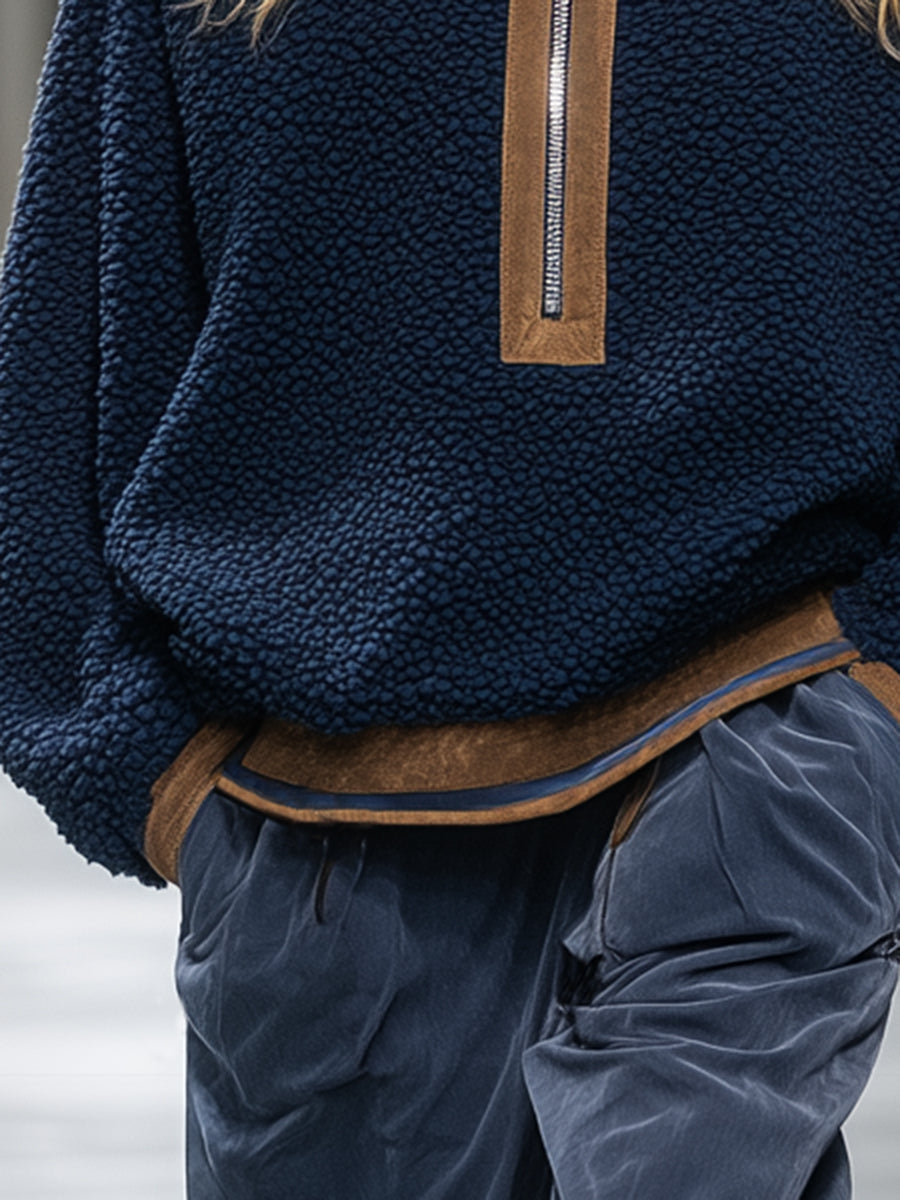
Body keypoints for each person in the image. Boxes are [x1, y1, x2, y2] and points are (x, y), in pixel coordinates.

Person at [2, 0, 900, 1195]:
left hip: (762, 727)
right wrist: (160, 781)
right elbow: (59, 364)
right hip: (320, 826)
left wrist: (874, 697)